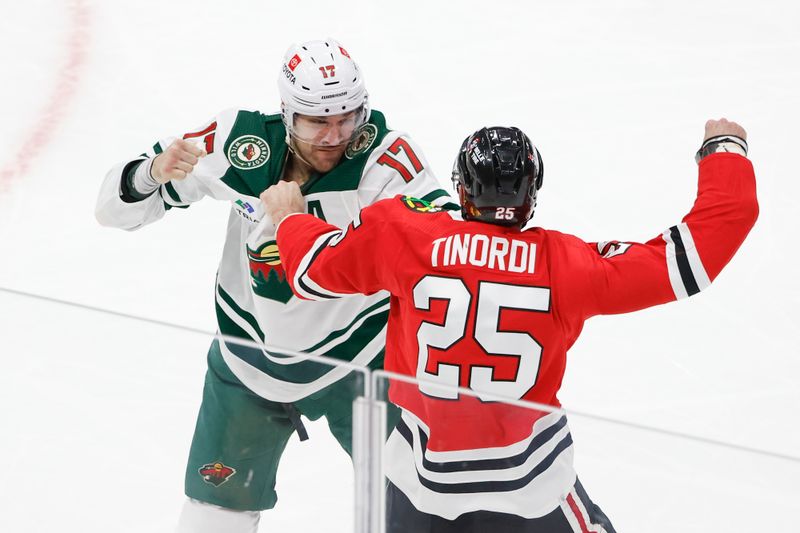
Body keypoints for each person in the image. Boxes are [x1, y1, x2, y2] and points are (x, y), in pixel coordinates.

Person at [263, 119, 758, 532]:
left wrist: (290, 219)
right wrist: (725, 153)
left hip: (419, 484)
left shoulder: (405, 236)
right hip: (528, 487)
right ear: (531, 194)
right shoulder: (566, 265)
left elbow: (312, 271)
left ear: (461, 188)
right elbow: (693, 259)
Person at [95, 38, 454, 533]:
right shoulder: (235, 141)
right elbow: (111, 211)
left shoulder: (385, 163)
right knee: (212, 516)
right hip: (248, 366)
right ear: (286, 114)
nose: (334, 135)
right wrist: (151, 173)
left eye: (346, 117)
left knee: (415, 508)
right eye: (316, 121)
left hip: (362, 370)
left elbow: (450, 245)